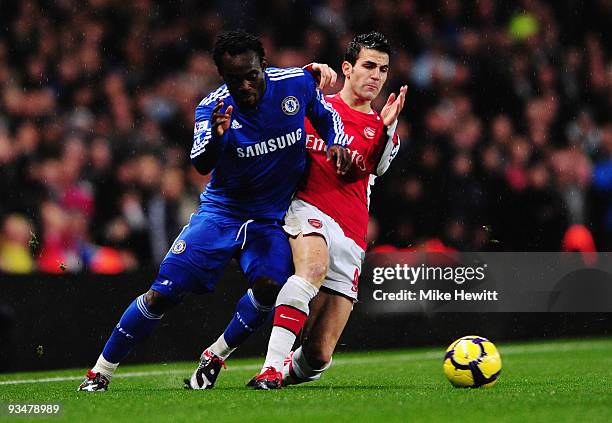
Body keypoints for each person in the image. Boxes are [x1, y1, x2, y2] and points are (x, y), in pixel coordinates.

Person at [78, 30, 350, 392]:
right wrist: (220, 139)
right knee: (163, 292)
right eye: (235, 80)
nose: (245, 86)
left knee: (270, 286)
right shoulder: (212, 107)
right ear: (222, 77)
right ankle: (100, 371)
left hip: (269, 219)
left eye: (252, 75)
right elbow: (201, 163)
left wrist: (335, 142)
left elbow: (327, 115)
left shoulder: (296, 83)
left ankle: (216, 354)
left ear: (263, 66)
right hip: (221, 213)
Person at [186, 31, 405, 390]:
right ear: (347, 69)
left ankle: (263, 365)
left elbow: (378, 168)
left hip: (351, 232)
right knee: (310, 270)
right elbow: (276, 100)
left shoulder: (383, 128)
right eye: (368, 65)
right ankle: (271, 369)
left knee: (318, 354)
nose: (376, 76)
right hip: (306, 208)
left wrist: (388, 126)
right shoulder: (314, 105)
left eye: (383, 69)